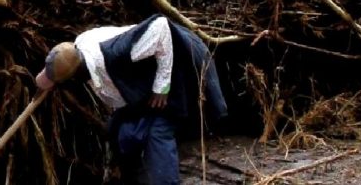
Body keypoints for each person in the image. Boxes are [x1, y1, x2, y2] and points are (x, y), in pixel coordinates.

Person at [34, 15, 227, 185]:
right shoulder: (77, 51)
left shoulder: (114, 52)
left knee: (158, 132)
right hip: (144, 86)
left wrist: (162, 86)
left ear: (77, 74)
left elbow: (161, 26)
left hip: (179, 65)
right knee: (121, 132)